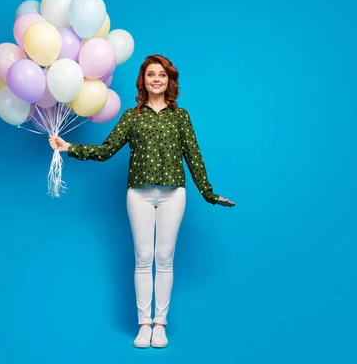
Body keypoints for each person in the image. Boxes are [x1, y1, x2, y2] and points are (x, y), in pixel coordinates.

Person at [49, 54, 234, 349]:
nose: (156, 79)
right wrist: (70, 147)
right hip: (139, 194)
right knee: (143, 258)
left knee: (165, 258)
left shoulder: (181, 116)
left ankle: (160, 325)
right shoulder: (131, 117)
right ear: (143, 80)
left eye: (161, 74)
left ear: (169, 80)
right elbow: (107, 150)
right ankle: (144, 325)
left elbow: (193, 156)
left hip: (174, 193)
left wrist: (209, 194)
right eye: (151, 74)